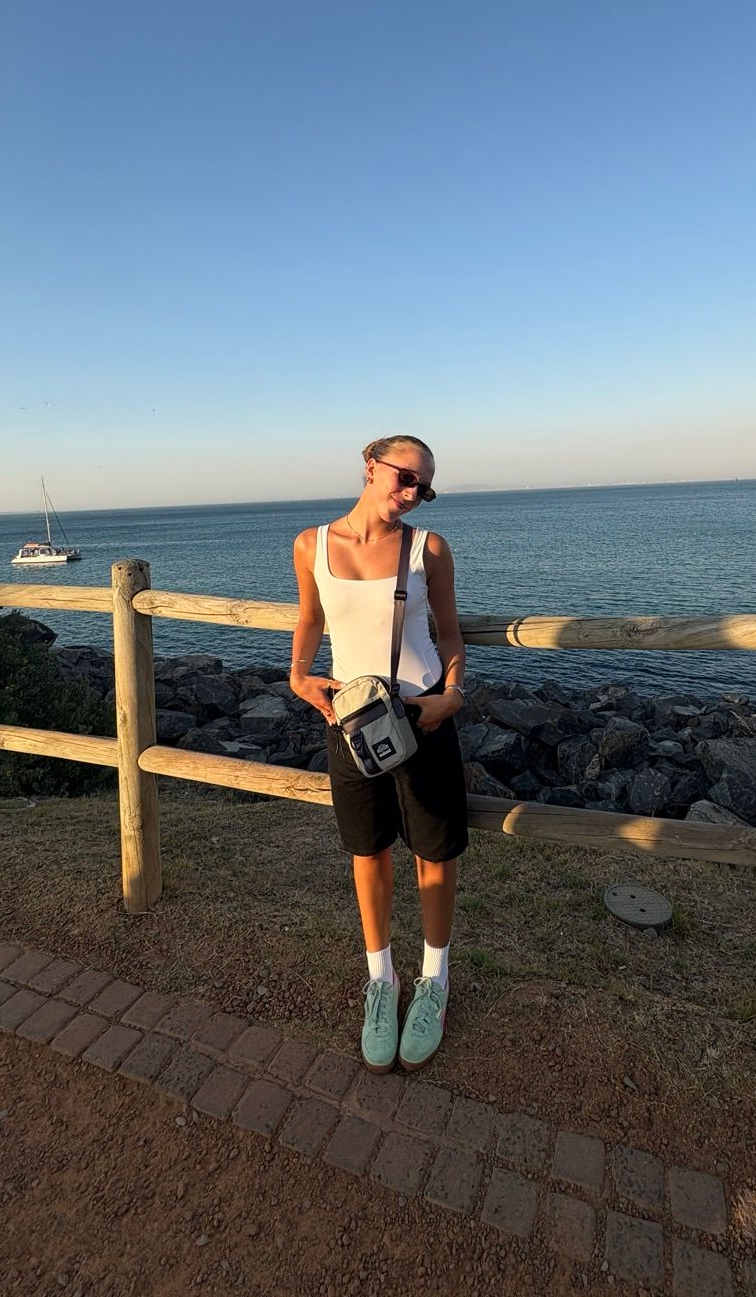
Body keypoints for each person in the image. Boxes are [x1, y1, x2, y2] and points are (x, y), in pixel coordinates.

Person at [290, 435, 468, 1074]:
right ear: (370, 467)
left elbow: (450, 634)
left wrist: (451, 696)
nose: (415, 493)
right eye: (406, 477)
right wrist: (298, 675)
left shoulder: (429, 549)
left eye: (425, 486)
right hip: (352, 723)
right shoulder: (311, 545)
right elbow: (311, 618)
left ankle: (434, 981)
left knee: (434, 855)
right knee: (367, 851)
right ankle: (381, 980)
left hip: (423, 719)